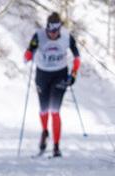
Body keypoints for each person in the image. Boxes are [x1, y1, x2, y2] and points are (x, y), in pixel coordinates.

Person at [24, 12, 80, 157]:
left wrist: (73, 74)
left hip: (60, 74)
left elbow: (77, 57)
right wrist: (29, 53)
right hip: (42, 74)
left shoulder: (67, 37)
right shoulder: (39, 35)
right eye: (50, 31)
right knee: (44, 110)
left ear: (59, 29)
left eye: (55, 31)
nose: (52, 34)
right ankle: (45, 132)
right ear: (47, 29)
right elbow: (28, 53)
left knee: (55, 110)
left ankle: (56, 146)